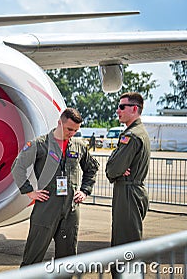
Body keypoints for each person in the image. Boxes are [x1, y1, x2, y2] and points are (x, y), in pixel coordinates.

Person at [12, 108, 99, 266]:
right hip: (46, 207)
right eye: (69, 129)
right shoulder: (40, 144)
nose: (72, 133)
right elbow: (18, 167)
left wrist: (85, 190)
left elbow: (91, 168)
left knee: (68, 258)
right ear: (60, 123)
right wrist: (29, 191)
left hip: (70, 210)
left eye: (76, 130)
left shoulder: (78, 146)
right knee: (34, 255)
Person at [105, 92, 150, 248]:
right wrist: (117, 167)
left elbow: (113, 169)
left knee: (124, 244)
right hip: (132, 190)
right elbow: (117, 167)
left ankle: (124, 273)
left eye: (122, 107)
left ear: (134, 109)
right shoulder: (139, 132)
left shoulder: (132, 136)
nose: (118, 110)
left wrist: (115, 167)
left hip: (128, 193)